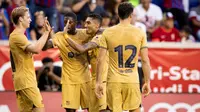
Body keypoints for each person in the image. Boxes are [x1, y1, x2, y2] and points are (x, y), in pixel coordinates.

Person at [95, 2, 151, 112]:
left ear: (118, 14)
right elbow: (145, 60)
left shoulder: (108, 32)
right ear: (131, 15)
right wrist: (147, 82)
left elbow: (100, 60)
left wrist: (98, 82)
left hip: (114, 81)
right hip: (132, 81)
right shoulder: (140, 33)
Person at [42, 12, 92, 112]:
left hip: (85, 78)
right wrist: (47, 33)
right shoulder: (59, 36)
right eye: (65, 22)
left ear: (76, 23)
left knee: (92, 108)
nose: (67, 25)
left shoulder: (84, 34)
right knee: (70, 110)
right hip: (69, 80)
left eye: (70, 22)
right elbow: (45, 47)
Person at [9, 6, 51, 112]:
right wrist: (46, 33)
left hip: (23, 81)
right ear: (20, 19)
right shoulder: (17, 36)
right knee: (39, 109)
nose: (30, 19)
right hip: (26, 81)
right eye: (28, 17)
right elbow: (36, 49)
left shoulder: (18, 36)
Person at [66, 13, 108, 112]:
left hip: (103, 81)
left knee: (104, 110)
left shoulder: (100, 37)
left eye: (88, 23)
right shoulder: (91, 37)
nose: (85, 26)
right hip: (94, 81)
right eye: (85, 23)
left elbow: (81, 49)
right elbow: (90, 60)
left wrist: (64, 36)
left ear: (97, 25)